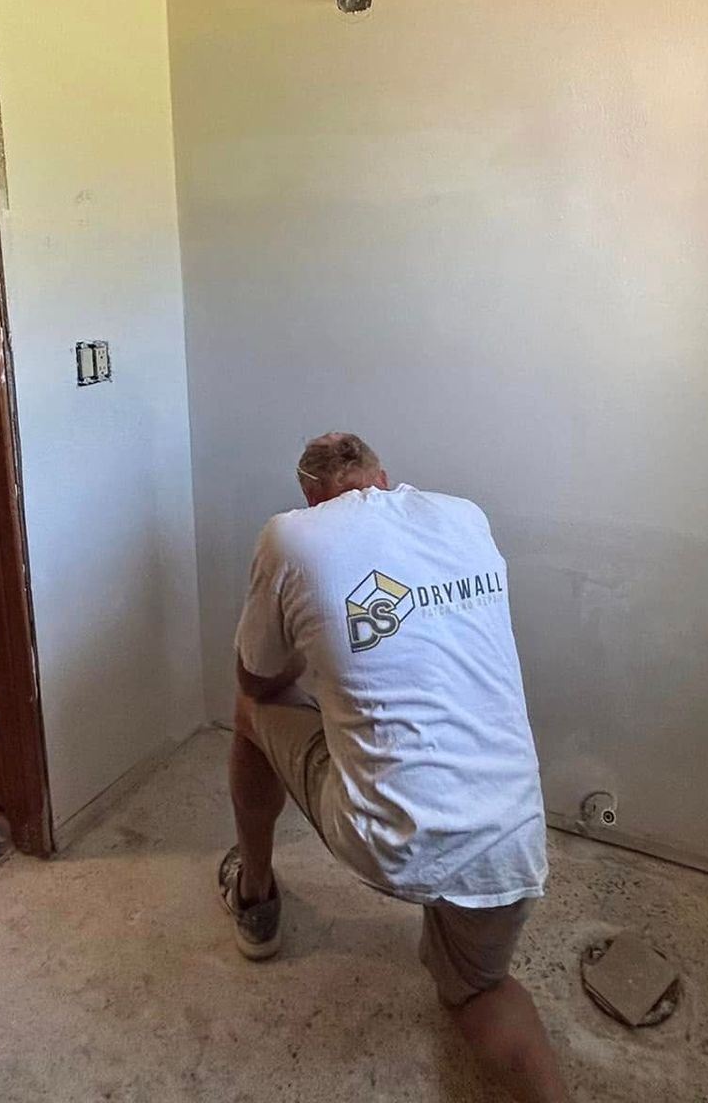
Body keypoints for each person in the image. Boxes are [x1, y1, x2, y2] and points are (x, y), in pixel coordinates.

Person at [223, 432, 567, 1102]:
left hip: (388, 841)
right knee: (478, 995)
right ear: (385, 478)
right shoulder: (464, 515)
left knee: (247, 713)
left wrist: (307, 652)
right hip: (512, 837)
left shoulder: (290, 536)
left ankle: (256, 895)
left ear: (311, 497)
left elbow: (259, 682)